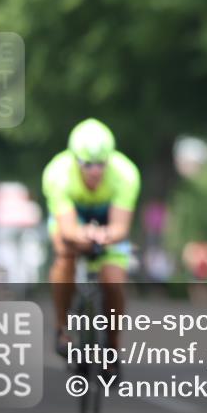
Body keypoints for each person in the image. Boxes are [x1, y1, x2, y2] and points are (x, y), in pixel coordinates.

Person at [43, 118, 140, 377]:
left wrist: (104, 235)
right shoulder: (57, 174)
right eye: (87, 164)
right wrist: (82, 235)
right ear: (75, 160)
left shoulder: (126, 174)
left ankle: (112, 349)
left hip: (108, 223)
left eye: (101, 164)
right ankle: (62, 328)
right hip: (72, 221)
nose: (95, 171)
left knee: (114, 281)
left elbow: (120, 228)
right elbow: (67, 229)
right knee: (64, 256)